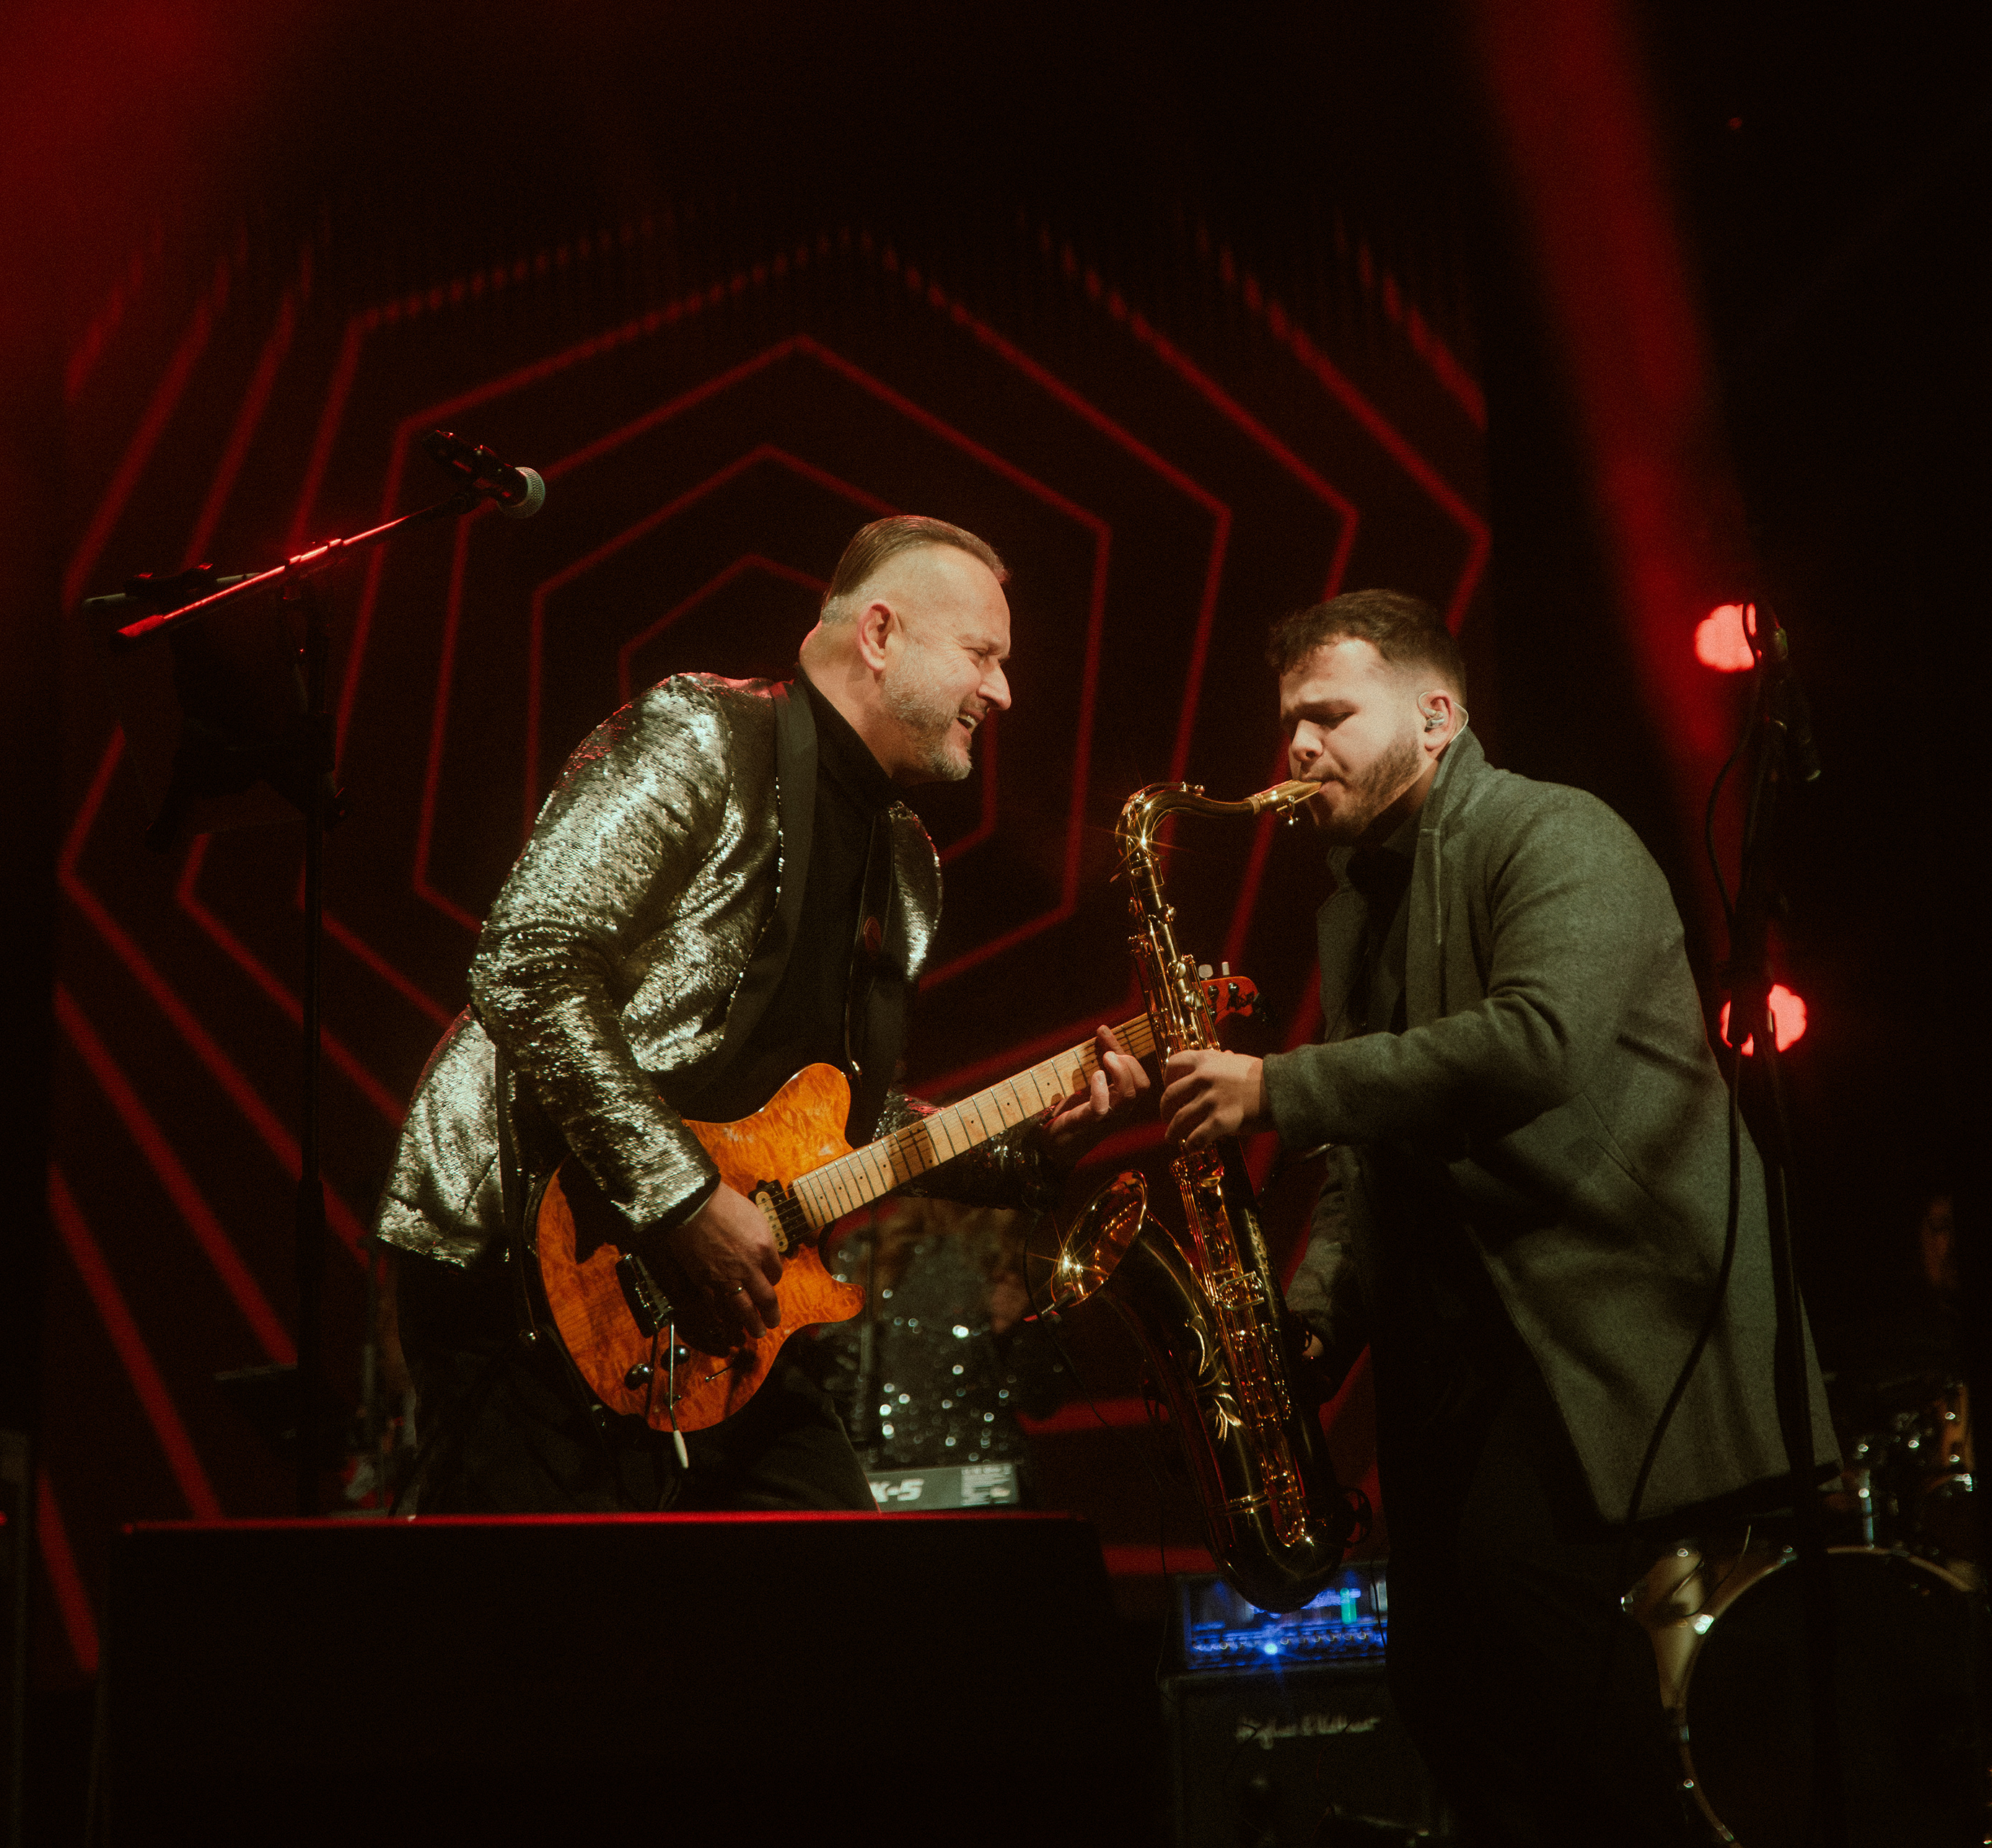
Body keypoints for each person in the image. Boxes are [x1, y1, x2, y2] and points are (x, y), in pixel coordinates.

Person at [1161, 590, 1835, 1845]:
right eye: (1290, 721)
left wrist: (1276, 1086)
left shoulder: (1555, 832)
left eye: (1330, 715)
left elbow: (1536, 1044)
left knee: (1536, 1641)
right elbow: (1371, 1161)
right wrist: (1310, 1329)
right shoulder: (1355, 899)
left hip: (1608, 1319)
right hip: (1466, 1348)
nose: (1297, 746)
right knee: (1440, 1675)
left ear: (1437, 717)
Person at [377, 515, 1147, 1515]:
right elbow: (531, 960)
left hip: (714, 1306)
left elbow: (847, 1123)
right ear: (881, 634)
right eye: (982, 654)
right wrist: (684, 1200)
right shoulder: (700, 733)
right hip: (527, 1261)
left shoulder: (907, 866)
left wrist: (1032, 1147)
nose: (1002, 691)